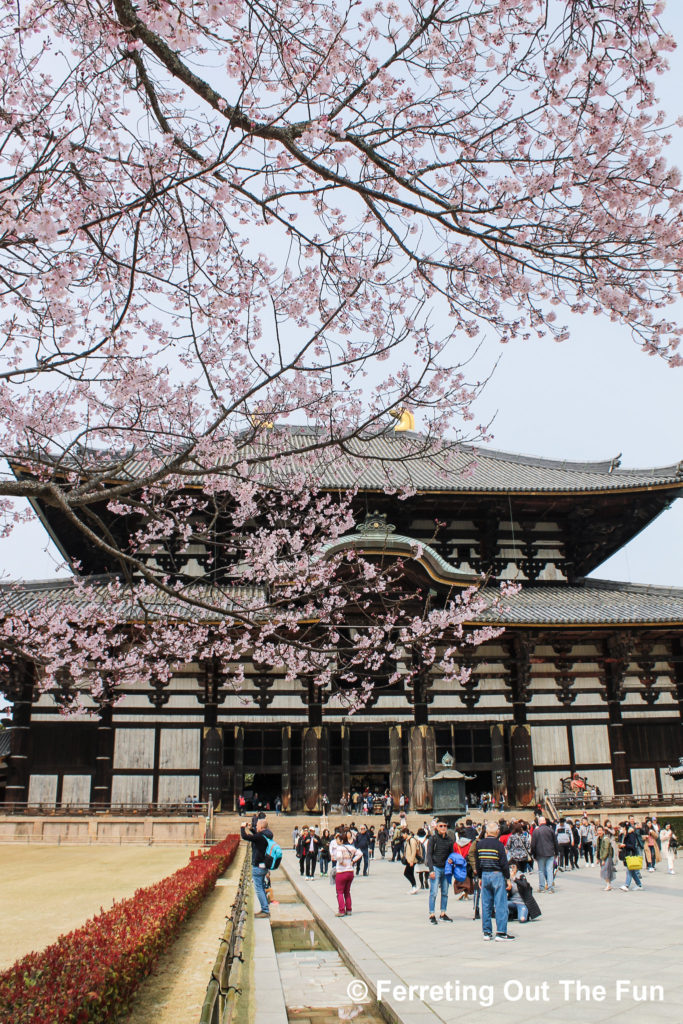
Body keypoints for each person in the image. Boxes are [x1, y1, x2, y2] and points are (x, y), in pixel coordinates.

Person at [475, 821, 514, 941]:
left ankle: (487, 932)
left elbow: (478, 863)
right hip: (497, 874)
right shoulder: (498, 845)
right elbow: (504, 863)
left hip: (485, 875)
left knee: (486, 905)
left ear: (486, 832)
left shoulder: (480, 844)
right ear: (497, 832)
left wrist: (480, 877)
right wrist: (508, 878)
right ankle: (501, 932)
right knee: (500, 904)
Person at [240, 816, 275, 918]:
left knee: (259, 888)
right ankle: (265, 908)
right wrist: (251, 829)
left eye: (257, 825)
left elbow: (245, 837)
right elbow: (257, 836)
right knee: (262, 887)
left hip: (258, 865)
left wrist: (242, 827)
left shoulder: (260, 837)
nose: (256, 826)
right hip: (264, 865)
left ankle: (265, 910)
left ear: (261, 826)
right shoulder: (267, 835)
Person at [426, 819, 454, 925]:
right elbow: (428, 854)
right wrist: (431, 870)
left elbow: (451, 854)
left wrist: (451, 861)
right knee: (433, 892)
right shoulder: (433, 839)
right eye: (441, 826)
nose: (443, 828)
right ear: (436, 827)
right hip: (436, 868)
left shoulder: (449, 840)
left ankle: (443, 913)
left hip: (445, 869)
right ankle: (432, 914)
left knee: (445, 892)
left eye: (445, 826)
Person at [334, 827, 362, 916]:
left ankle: (341, 910)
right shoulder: (351, 847)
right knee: (347, 892)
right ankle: (349, 909)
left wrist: (341, 861)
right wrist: (353, 861)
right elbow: (360, 853)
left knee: (339, 892)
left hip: (341, 872)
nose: (337, 841)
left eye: (338, 840)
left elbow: (338, 857)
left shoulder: (340, 848)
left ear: (342, 841)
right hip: (350, 872)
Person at [530, 816, 558, 893]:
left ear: (539, 823)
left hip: (540, 853)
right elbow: (555, 841)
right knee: (549, 870)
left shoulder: (536, 831)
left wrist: (533, 854)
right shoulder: (550, 830)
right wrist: (556, 852)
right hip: (550, 852)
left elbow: (533, 844)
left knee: (541, 871)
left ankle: (541, 887)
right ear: (545, 822)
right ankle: (550, 887)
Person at [619, 822, 644, 891]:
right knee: (632, 871)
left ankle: (626, 885)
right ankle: (639, 885)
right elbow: (620, 841)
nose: (620, 829)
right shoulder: (623, 835)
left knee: (629, 870)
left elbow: (633, 845)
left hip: (631, 854)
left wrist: (625, 845)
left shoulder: (631, 834)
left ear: (624, 828)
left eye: (621, 828)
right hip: (626, 854)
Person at [402, 828, 422, 894]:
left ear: (406, 833)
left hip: (411, 860)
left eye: (403, 834)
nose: (402, 835)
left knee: (406, 873)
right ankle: (414, 886)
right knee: (410, 873)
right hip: (410, 860)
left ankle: (414, 886)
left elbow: (413, 851)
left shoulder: (412, 840)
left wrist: (411, 861)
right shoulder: (408, 840)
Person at [596, 824, 616, 891]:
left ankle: (608, 885)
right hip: (602, 857)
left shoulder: (606, 838)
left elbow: (606, 849)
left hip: (607, 856)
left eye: (600, 830)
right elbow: (598, 849)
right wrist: (598, 858)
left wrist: (603, 859)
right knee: (606, 870)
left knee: (605, 870)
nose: (599, 832)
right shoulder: (599, 838)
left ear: (603, 831)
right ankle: (609, 885)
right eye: (598, 830)